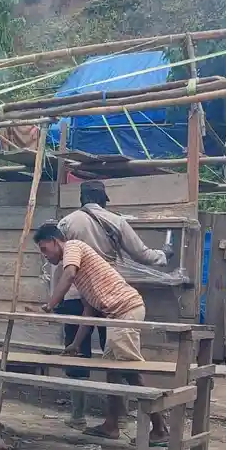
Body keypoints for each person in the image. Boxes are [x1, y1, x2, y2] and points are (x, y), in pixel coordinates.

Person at [43, 180, 170, 429]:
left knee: (108, 362)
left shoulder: (66, 224)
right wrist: (164, 255)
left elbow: (60, 269)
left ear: (81, 199)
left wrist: (52, 301)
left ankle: (80, 414)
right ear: (103, 199)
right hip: (104, 292)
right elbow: (143, 254)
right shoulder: (116, 221)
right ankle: (116, 420)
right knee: (112, 363)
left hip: (90, 297)